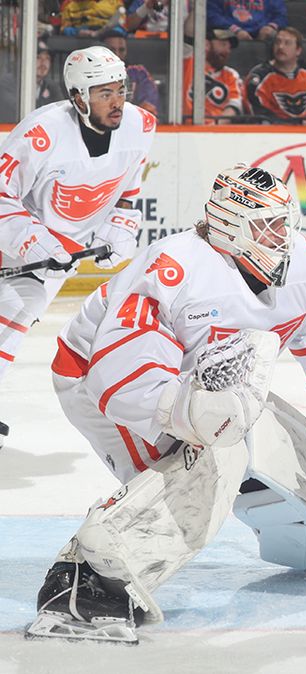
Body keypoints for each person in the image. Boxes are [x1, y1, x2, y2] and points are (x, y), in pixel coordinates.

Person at [23, 164, 306, 643]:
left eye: (286, 222)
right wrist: (189, 412)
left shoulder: (301, 265)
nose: (283, 236)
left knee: (281, 440)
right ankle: (87, 578)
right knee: (214, 460)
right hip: (102, 383)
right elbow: (118, 373)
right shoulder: (174, 268)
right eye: (269, 225)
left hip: (209, 385)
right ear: (229, 227)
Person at [0, 46, 155, 450]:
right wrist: (33, 240)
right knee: (11, 315)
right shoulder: (43, 133)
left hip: (59, 251)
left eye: (120, 90)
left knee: (13, 325)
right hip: (17, 236)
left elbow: (129, 188)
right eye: (104, 92)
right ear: (78, 97)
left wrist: (122, 223)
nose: (117, 101)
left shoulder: (142, 125)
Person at [245, 28, 306, 121]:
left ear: (298, 50)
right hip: (275, 131)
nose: (281, 47)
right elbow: (257, 113)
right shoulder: (260, 75)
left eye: (287, 43)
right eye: (277, 42)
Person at [183, 28, 247, 121]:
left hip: (216, 131)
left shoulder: (231, 75)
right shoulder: (187, 63)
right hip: (184, 129)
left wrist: (215, 126)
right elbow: (188, 31)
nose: (227, 51)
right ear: (206, 44)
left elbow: (234, 105)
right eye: (223, 45)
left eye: (229, 47)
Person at [98, 29, 160, 117]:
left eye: (121, 50)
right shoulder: (91, 73)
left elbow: (149, 109)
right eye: (112, 50)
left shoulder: (139, 73)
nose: (117, 54)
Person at [207, 0, 287, 42]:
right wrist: (235, 30)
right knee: (216, 35)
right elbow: (212, 15)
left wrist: (270, 27)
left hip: (263, 35)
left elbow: (281, 16)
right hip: (229, 32)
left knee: (280, 38)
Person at [59, 0, 125, 37]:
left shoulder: (116, 2)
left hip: (109, 34)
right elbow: (64, 30)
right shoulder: (69, 4)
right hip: (81, 36)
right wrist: (77, 32)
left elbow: (122, 23)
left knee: (117, 32)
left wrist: (107, 32)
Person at [36, 41, 65, 108]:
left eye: (47, 58)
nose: (43, 62)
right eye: (38, 57)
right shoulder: (15, 84)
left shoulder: (52, 86)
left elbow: (61, 111)